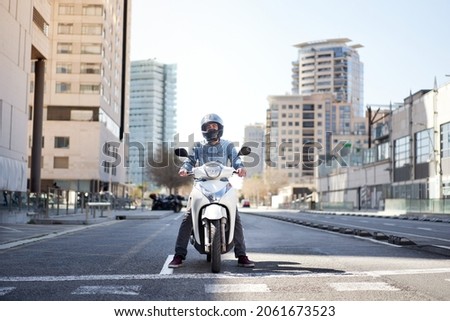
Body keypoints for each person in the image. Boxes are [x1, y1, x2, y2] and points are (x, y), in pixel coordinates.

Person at [168, 113, 255, 268]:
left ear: (219, 128)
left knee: (235, 216)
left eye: (214, 126)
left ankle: (241, 255)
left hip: (223, 184)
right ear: (203, 129)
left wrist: (240, 167)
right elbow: (190, 160)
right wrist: (184, 168)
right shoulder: (198, 146)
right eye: (208, 127)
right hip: (201, 184)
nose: (211, 129)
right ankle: (179, 255)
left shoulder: (228, 145)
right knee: (188, 217)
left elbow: (236, 159)